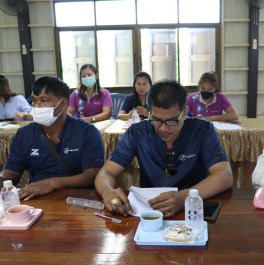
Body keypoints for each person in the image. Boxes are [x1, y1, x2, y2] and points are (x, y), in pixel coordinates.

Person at [95, 79, 233, 218]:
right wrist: (108, 192)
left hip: (191, 210)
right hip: (150, 211)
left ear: (184, 113)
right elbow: (105, 173)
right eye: (156, 120)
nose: (163, 128)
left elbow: (224, 175)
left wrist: (185, 196)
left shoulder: (202, 130)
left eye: (171, 121)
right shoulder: (137, 133)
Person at [0, 76, 105, 200]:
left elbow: (93, 175)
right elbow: (11, 172)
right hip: (37, 199)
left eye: (44, 100)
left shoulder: (87, 131)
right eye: (34, 101)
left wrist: (52, 183)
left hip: (78, 200)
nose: (37, 106)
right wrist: (1, 179)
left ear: (63, 104)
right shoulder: (24, 134)